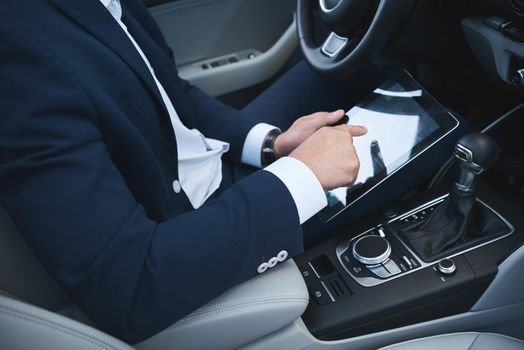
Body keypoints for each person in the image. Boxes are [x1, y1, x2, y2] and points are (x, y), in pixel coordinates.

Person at [0, 0, 465, 343]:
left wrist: (270, 145)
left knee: (359, 72)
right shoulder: (17, 48)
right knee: (450, 125)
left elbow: (171, 94)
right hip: (193, 224)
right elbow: (129, 284)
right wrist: (300, 176)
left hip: (203, 167)